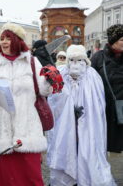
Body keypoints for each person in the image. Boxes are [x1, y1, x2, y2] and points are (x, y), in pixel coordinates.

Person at [0, 22, 60, 186]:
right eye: (2, 38)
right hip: (3, 131)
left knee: (31, 177)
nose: (3, 42)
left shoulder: (31, 62)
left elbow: (43, 90)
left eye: (8, 38)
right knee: (5, 178)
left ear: (17, 40)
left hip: (27, 130)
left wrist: (49, 81)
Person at [47, 45, 116, 186]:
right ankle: (67, 178)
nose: (75, 64)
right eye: (72, 60)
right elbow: (53, 100)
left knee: (87, 147)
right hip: (64, 124)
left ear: (85, 60)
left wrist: (85, 114)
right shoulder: (61, 74)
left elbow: (97, 104)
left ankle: (85, 178)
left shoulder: (92, 76)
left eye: (79, 60)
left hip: (87, 122)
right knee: (66, 147)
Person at [91, 24, 123, 153]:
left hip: (122, 109)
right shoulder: (98, 58)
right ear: (113, 41)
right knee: (103, 146)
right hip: (104, 110)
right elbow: (89, 83)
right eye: (122, 39)